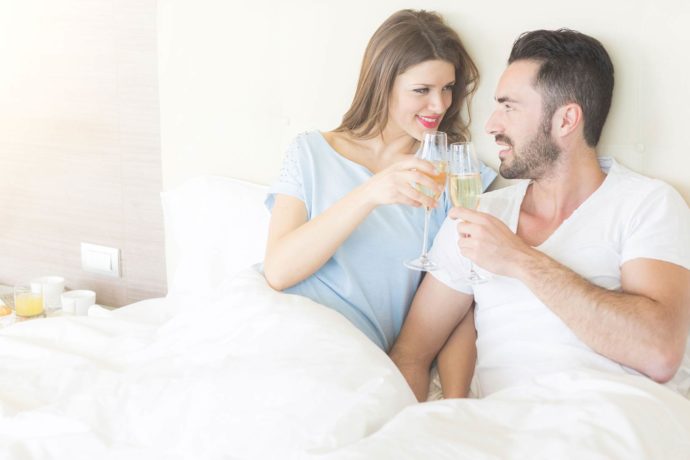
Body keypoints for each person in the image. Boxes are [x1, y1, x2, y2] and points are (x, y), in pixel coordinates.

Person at [390, 28, 690, 401]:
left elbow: (659, 352)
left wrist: (518, 259)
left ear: (566, 120)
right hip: (499, 426)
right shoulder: (479, 217)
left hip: (612, 419)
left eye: (509, 107)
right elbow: (411, 356)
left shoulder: (647, 204)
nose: (491, 125)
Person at [263, 9, 496, 352]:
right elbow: (278, 271)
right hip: (280, 326)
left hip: (354, 352)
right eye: (422, 90)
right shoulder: (311, 152)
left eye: (447, 88)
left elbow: (460, 301)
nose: (439, 105)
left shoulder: (456, 172)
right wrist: (369, 194)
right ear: (381, 84)